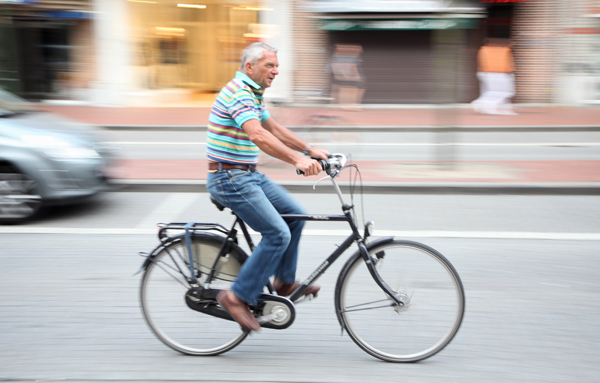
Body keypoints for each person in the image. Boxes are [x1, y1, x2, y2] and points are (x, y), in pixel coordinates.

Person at [206, 42, 329, 331]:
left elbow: (272, 128)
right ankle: (236, 296)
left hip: (247, 174)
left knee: (296, 216)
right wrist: (297, 159)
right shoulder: (239, 92)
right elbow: (258, 135)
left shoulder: (253, 94)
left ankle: (284, 282)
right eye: (269, 66)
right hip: (229, 178)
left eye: (276, 65)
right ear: (250, 67)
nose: (276, 71)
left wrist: (310, 149)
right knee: (277, 234)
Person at [471, 38, 517, 115]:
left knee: (499, 93)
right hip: (497, 73)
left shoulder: (487, 50)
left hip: (493, 73)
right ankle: (480, 103)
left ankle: (504, 110)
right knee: (501, 93)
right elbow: (503, 64)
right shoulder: (498, 51)